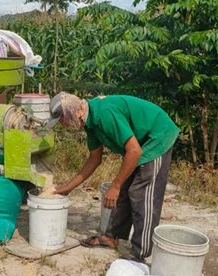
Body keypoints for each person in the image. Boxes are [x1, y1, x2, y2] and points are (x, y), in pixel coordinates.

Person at [46, 92, 179, 262]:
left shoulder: (104, 114)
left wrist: (114, 186)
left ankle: (140, 254)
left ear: (74, 113)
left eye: (62, 120)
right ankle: (110, 237)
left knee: (141, 193)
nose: (63, 125)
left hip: (157, 136)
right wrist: (65, 188)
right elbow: (94, 160)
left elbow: (134, 151)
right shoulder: (90, 122)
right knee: (123, 189)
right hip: (140, 143)